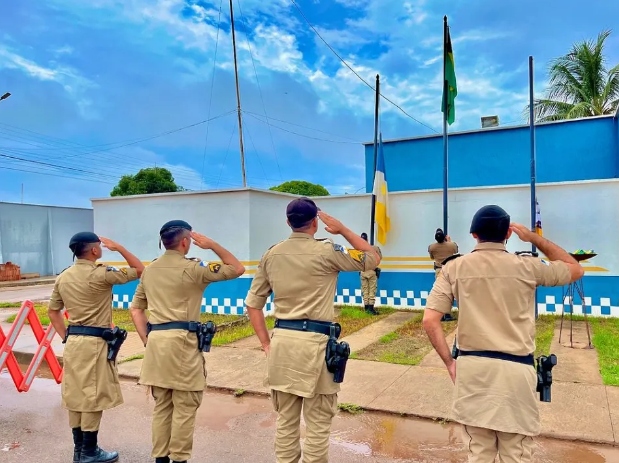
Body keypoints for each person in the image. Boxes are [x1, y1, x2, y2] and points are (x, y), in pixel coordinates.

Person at [422, 205, 583, 463]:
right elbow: (574, 268)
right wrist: (533, 238)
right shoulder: (528, 266)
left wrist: (451, 363)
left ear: (473, 234)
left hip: (473, 372)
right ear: (508, 234)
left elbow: (430, 320)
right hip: (515, 374)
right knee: (516, 455)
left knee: (479, 455)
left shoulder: (453, 268)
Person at [245, 197, 380, 463]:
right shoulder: (327, 251)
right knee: (318, 424)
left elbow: (253, 305)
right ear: (316, 223)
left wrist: (265, 344)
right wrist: (342, 229)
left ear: (288, 222)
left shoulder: (271, 254)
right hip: (316, 347)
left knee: (285, 422)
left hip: (282, 344)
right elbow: (372, 258)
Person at [129, 220, 245, 463]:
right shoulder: (193, 269)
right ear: (185, 242)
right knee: (185, 405)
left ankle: (160, 458)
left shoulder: (150, 270)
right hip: (182, 344)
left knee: (162, 406)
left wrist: (147, 339)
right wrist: (212, 244)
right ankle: (179, 459)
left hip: (157, 343)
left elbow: (136, 310)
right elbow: (236, 268)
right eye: (190, 241)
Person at [48, 232, 144, 463]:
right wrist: (119, 247)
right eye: (99, 246)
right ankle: (89, 452)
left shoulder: (64, 277)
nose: (101, 249)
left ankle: (79, 450)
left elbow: (53, 311)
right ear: (93, 250)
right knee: (91, 396)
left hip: (74, 342)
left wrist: (65, 337)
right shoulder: (102, 273)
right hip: (95, 343)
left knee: (76, 394)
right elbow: (140, 270)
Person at [428, 228, 458, 321]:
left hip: (438, 270)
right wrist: (449, 241)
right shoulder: (451, 245)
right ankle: (448, 315)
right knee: (451, 292)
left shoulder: (432, 247)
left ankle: (440, 315)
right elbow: (456, 250)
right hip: (450, 270)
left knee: (440, 293)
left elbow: (432, 257)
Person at [359, 232, 383, 315]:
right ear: (367, 239)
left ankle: (366, 308)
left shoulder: (358, 249)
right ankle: (371, 309)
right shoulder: (374, 248)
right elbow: (380, 257)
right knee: (372, 290)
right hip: (371, 271)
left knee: (365, 290)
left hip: (362, 271)